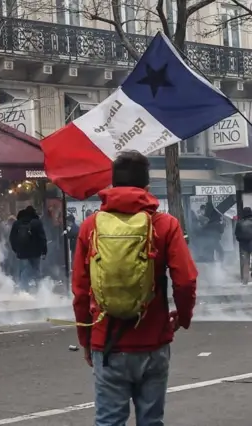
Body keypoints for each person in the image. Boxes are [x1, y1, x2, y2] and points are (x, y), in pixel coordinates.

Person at [72, 151, 197, 426]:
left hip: (107, 344)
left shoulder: (90, 227)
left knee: (109, 421)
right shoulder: (165, 225)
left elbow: (81, 291)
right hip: (154, 342)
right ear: (147, 188)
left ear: (112, 186)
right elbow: (185, 281)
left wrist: (86, 338)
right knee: (151, 421)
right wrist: (182, 318)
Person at [9, 205, 47, 292]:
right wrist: (44, 251)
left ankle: (24, 291)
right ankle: (39, 290)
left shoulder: (17, 223)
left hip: (22, 253)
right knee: (36, 270)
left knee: (24, 271)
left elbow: (12, 238)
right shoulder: (37, 223)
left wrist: (16, 250)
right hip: (35, 252)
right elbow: (42, 238)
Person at [235, 207, 252, 285]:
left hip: (244, 245)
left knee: (246, 263)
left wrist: (241, 241)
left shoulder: (240, 223)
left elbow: (237, 234)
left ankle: (245, 280)